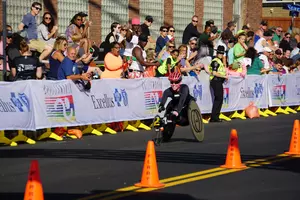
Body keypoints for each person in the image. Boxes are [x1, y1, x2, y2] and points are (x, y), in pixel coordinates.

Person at [209, 45, 228, 122]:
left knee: (219, 99)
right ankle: (214, 117)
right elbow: (214, 73)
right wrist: (224, 76)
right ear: (217, 53)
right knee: (218, 98)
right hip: (216, 81)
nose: (220, 54)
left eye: (222, 53)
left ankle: (215, 116)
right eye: (219, 53)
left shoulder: (219, 61)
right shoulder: (215, 61)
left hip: (218, 81)